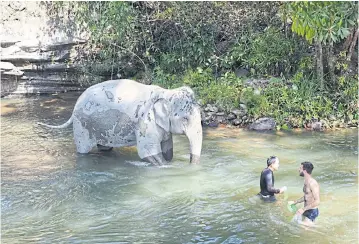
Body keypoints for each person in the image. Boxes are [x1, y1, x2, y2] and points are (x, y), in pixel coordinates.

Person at [288, 161, 320, 226]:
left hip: (312, 211)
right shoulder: (306, 181)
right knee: (299, 226)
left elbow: (317, 201)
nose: (298, 170)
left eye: (300, 168)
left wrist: (303, 209)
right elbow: (307, 196)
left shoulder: (313, 183)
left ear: (304, 171)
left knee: (303, 229)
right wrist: (296, 202)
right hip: (306, 210)